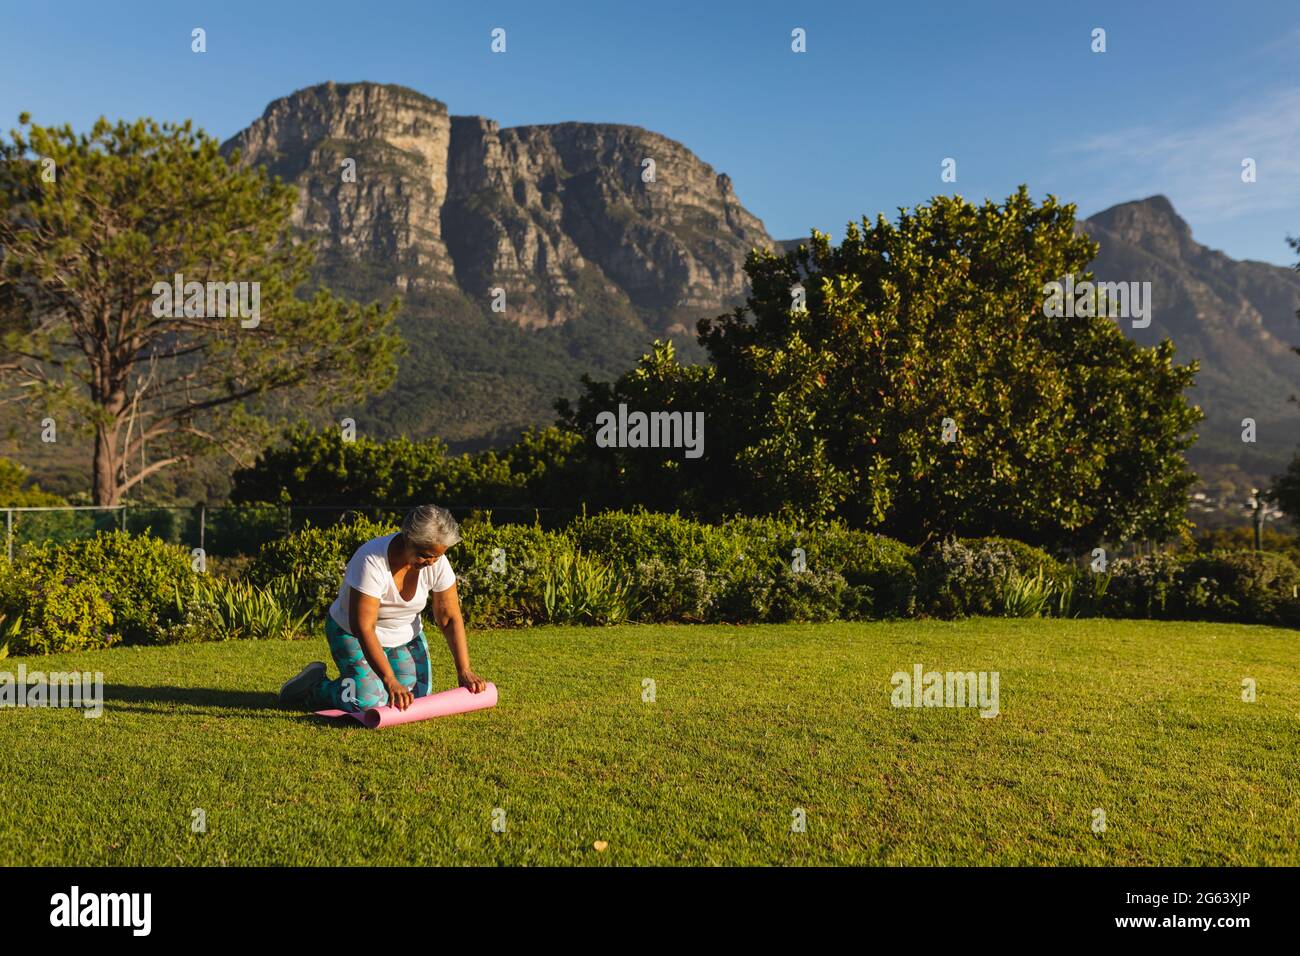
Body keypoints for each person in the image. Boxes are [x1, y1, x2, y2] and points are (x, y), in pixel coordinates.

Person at [277, 504, 487, 711]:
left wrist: (464, 670)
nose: (431, 562)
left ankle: (361, 684)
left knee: (416, 699)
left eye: (437, 555)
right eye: (424, 555)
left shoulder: (436, 561)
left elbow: (449, 617)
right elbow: (364, 627)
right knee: (369, 702)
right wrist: (390, 680)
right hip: (352, 633)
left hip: (404, 636)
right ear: (408, 539)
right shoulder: (371, 560)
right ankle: (315, 688)